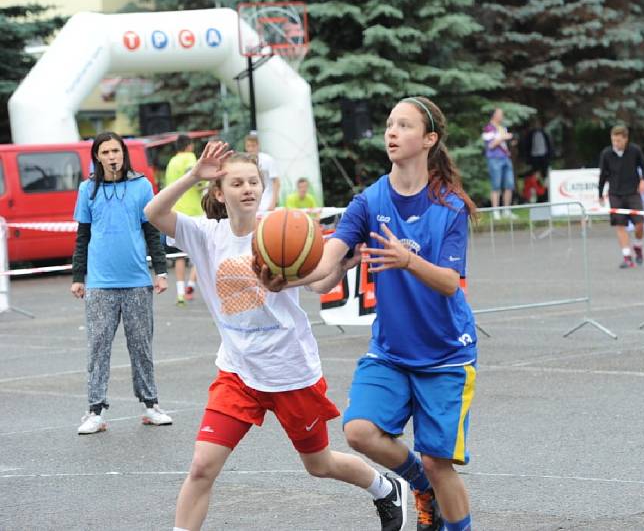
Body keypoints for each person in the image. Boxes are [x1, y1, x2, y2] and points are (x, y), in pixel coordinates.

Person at [143, 143, 407, 531]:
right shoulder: (204, 235)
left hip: (290, 371)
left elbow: (320, 284)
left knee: (320, 465)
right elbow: (153, 213)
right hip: (237, 372)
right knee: (201, 467)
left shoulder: (282, 230)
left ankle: (385, 488)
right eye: (237, 183)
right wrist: (193, 175)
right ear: (219, 192)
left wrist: (340, 268)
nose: (248, 188)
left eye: (254, 181)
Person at [260, 96, 478, 531]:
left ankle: (439, 498)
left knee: (440, 463)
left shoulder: (449, 206)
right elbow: (325, 272)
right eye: (389, 124)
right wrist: (289, 278)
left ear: (429, 139)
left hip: (445, 355)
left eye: (404, 125)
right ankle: (419, 485)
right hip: (391, 351)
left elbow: (451, 283)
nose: (391, 133)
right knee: (358, 431)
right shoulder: (369, 201)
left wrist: (408, 260)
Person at [70, 131, 173, 435]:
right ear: (97, 157)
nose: (112, 156)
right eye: (105, 152)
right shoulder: (87, 189)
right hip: (100, 283)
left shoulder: (141, 186)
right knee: (98, 347)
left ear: (123, 154)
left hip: (137, 281)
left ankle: (151, 405)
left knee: (141, 345)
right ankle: (95, 411)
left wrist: (161, 271)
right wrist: (78, 277)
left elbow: (153, 231)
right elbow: (82, 236)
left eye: (116, 151)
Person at [598, 125, 644, 268]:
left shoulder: (634, 150)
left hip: (633, 192)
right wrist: (600, 193)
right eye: (613, 141)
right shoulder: (606, 154)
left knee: (640, 223)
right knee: (620, 225)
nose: (616, 144)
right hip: (615, 194)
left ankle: (638, 246)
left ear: (625, 139)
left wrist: (643, 180)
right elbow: (603, 175)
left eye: (619, 141)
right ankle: (627, 256)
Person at [164, 134, 201, 306]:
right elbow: (193, 177)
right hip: (194, 212)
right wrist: (205, 185)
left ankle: (179, 293)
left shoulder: (171, 162)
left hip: (175, 213)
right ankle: (191, 286)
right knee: (200, 253)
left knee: (179, 255)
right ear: (189, 146)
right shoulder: (190, 157)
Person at [483, 107, 514, 220]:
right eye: (500, 114)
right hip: (494, 159)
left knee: (509, 184)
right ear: (494, 115)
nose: (502, 116)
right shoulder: (489, 128)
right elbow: (490, 145)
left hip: (506, 158)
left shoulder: (502, 128)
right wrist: (503, 137)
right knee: (496, 185)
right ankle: (495, 211)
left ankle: (506, 210)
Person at [243, 133, 280, 216]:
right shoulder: (243, 161)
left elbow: (276, 182)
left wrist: (273, 202)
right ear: (245, 147)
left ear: (258, 146)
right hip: (252, 199)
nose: (251, 148)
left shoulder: (268, 160)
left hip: (267, 199)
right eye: (249, 146)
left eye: (253, 146)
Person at [520, 117, 552, 203]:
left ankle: (545, 195)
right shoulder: (530, 134)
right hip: (534, 157)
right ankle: (536, 196)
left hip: (544, 157)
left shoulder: (544, 133)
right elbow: (527, 147)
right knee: (535, 177)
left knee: (545, 177)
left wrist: (549, 156)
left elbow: (549, 146)